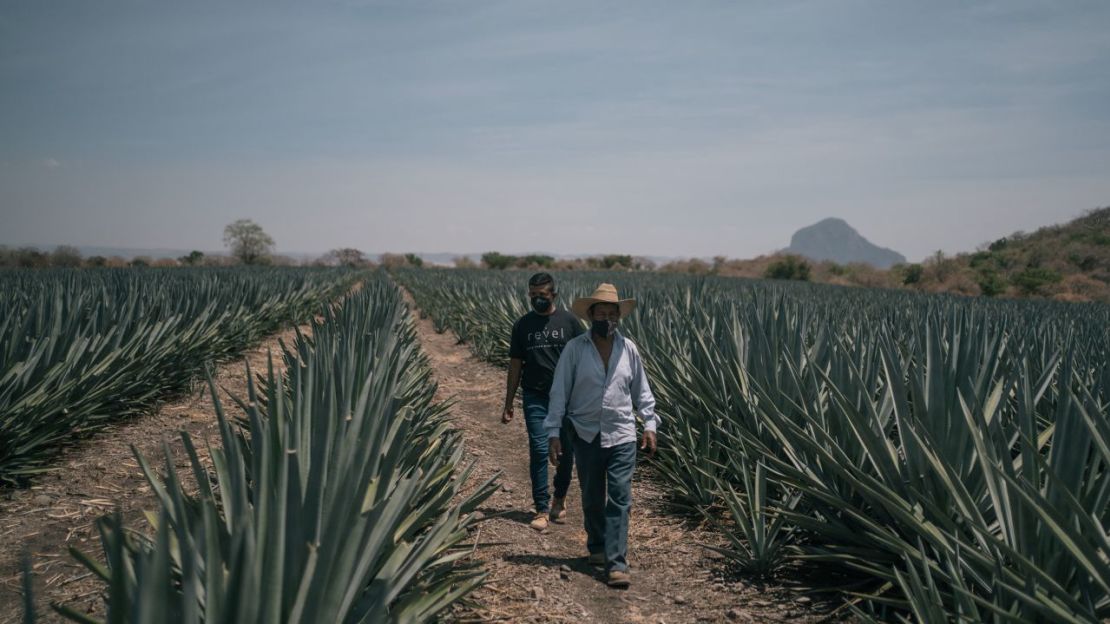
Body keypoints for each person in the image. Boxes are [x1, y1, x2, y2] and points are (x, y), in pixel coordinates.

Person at [545, 282, 658, 588]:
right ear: (590, 315)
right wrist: (553, 432)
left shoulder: (628, 349)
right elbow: (559, 392)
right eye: (601, 313)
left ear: (618, 317)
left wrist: (649, 423)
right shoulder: (575, 349)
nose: (607, 318)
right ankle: (597, 546)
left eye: (612, 313)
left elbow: (642, 391)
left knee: (620, 498)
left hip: (621, 433)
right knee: (593, 496)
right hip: (586, 433)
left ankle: (617, 562)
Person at [502, 272, 583, 531]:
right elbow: (516, 365)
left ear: (554, 295)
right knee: (538, 449)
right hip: (535, 396)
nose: (538, 299)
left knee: (565, 451)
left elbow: (584, 360)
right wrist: (508, 402)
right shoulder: (522, 325)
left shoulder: (570, 322)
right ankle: (541, 507)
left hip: (568, 398)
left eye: (543, 295)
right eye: (533, 295)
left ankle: (560, 497)